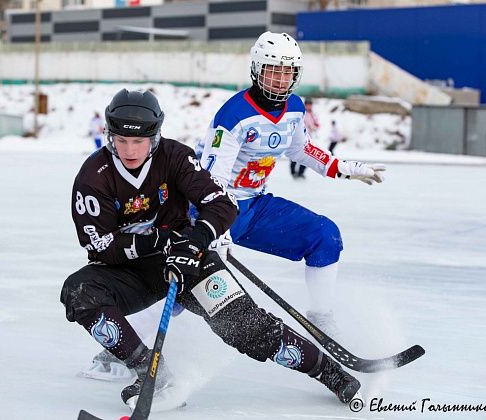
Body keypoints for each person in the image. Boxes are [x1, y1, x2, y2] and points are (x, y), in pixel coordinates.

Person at [61, 88, 362, 411]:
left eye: (139, 141)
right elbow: (99, 246)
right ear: (110, 136)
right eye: (121, 141)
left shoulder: (175, 158)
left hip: (190, 261)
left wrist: (196, 240)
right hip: (131, 270)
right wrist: (162, 242)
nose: (130, 150)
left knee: (248, 329)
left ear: (155, 137)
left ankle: (332, 374)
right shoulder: (94, 177)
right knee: (79, 291)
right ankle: (153, 372)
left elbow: (221, 204)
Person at [196, 31, 386, 336]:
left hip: (256, 207)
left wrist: (342, 168)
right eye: (273, 71)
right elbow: (211, 177)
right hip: (217, 209)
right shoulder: (234, 115)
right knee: (187, 277)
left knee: (325, 235)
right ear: (257, 70)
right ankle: (128, 350)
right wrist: (215, 226)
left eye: (288, 72)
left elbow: (300, 149)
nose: (281, 80)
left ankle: (321, 319)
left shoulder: (295, 108)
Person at [289, 97, 319, 178]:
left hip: (307, 138)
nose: (309, 106)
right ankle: (293, 172)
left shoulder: (313, 114)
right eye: (307, 104)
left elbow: (317, 124)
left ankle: (301, 172)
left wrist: (313, 127)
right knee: (295, 154)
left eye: (310, 104)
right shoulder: (301, 112)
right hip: (297, 137)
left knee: (307, 156)